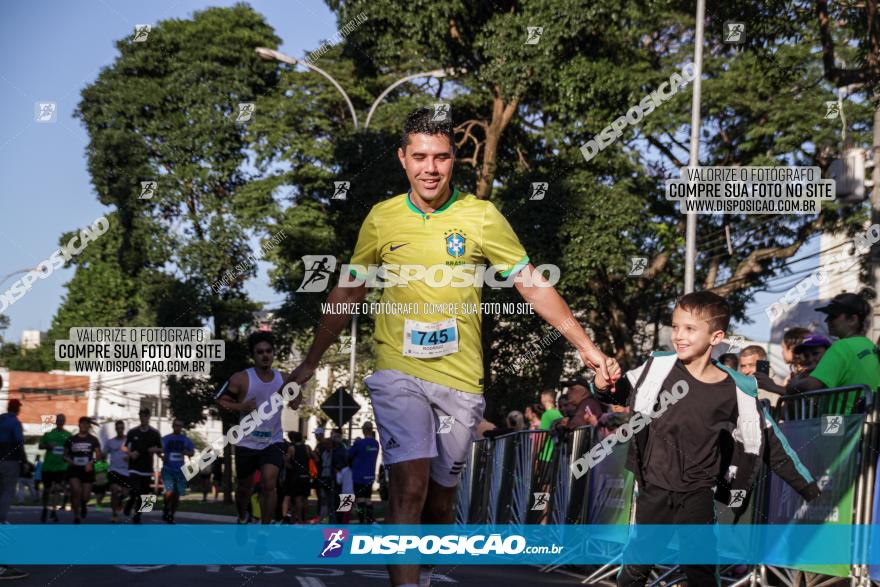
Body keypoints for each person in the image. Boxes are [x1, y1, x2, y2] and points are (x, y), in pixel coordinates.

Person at [283, 106, 614, 587]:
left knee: (441, 499)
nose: (430, 168)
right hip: (397, 370)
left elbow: (530, 282)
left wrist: (585, 345)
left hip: (459, 378)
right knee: (408, 486)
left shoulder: (481, 217)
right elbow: (349, 290)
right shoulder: (381, 219)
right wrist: (312, 359)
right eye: (419, 156)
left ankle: (424, 570)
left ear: (453, 160)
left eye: (440, 157)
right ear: (403, 159)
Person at [591, 291, 820, 587]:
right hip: (654, 489)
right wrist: (601, 385)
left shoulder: (735, 388)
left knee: (701, 570)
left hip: (698, 493)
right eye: (675, 327)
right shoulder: (657, 367)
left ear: (716, 337)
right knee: (637, 565)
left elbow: (771, 443)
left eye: (689, 329)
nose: (679, 336)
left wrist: (810, 489)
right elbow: (618, 391)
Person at [217, 331, 300, 524]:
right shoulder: (240, 378)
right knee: (244, 488)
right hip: (246, 442)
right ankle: (242, 516)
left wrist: (296, 400)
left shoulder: (284, 378)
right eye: (260, 352)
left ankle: (264, 529)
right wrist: (241, 406)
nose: (265, 355)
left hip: (273, 441)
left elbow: (296, 394)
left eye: (268, 351)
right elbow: (221, 400)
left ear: (273, 354)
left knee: (269, 484)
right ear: (253, 355)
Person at [790, 292, 880, 414]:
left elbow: (810, 386)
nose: (827, 320)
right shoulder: (870, 346)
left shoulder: (841, 347)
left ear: (853, 320)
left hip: (838, 424)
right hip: (867, 425)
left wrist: (793, 384)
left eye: (833, 316)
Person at [124, 408, 162, 524]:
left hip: (147, 468)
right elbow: (124, 447)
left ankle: (138, 515)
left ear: (149, 417)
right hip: (134, 467)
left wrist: (155, 449)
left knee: (146, 495)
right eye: (141, 415)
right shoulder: (133, 432)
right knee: (135, 490)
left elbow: (161, 448)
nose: (143, 417)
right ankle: (130, 502)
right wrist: (130, 453)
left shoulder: (155, 433)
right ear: (139, 417)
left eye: (146, 415)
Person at [63, 416, 102, 524]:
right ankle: (77, 516)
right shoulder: (71, 439)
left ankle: (83, 504)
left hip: (87, 469)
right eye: (82, 423)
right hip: (74, 469)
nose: (84, 425)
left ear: (89, 426)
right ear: (79, 424)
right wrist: (70, 461)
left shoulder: (93, 439)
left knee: (86, 496)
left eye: (86, 424)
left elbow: (98, 455)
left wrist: (91, 463)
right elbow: (65, 455)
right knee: (76, 491)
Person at [160, 419, 195, 524]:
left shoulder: (185, 439)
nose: (178, 427)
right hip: (168, 468)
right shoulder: (166, 438)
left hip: (180, 470)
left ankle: (171, 515)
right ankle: (166, 507)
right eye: (176, 425)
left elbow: (192, 452)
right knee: (169, 491)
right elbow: (159, 449)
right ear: (172, 426)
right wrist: (162, 456)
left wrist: (187, 452)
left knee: (177, 494)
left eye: (180, 426)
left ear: (182, 427)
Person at [39, 413, 71, 523]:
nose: (60, 421)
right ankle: (44, 508)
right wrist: (48, 446)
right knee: (47, 490)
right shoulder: (49, 434)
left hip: (61, 466)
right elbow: (40, 446)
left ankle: (54, 511)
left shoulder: (68, 435)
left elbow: (72, 449)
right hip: (48, 466)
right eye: (59, 420)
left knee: (57, 488)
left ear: (64, 421)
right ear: (55, 421)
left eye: (62, 420)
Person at [348, 422, 380, 524]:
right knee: (368, 500)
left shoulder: (359, 443)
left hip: (359, 476)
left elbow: (349, 454)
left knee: (360, 501)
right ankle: (370, 521)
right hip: (370, 475)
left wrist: (355, 443)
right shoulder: (376, 444)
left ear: (363, 430)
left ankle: (361, 522)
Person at [0, 399, 25, 523]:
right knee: (8, 489)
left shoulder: (1, 419)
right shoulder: (15, 422)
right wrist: (24, 460)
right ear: (17, 409)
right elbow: (19, 442)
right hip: (10, 460)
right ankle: (2, 518)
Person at [282, 431, 313, 523]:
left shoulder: (292, 448)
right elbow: (313, 457)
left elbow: (286, 461)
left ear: (294, 439)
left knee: (298, 498)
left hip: (297, 475)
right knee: (305, 498)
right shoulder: (307, 447)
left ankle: (299, 519)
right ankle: (305, 517)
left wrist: (291, 467)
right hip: (306, 475)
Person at [104, 420, 130, 523]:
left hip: (126, 472)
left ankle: (119, 501)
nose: (120, 430)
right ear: (115, 429)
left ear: (123, 429)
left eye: (121, 428)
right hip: (113, 470)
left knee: (125, 493)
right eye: (118, 428)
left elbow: (134, 454)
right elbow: (103, 454)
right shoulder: (110, 442)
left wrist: (129, 458)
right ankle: (114, 514)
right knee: (114, 491)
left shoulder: (129, 441)